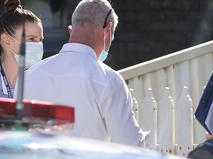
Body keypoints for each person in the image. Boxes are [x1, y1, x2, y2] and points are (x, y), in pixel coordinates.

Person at [24, 0, 146, 146]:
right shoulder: (109, 81)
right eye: (112, 36)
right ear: (108, 29)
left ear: (71, 31)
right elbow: (130, 145)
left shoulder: (29, 75)